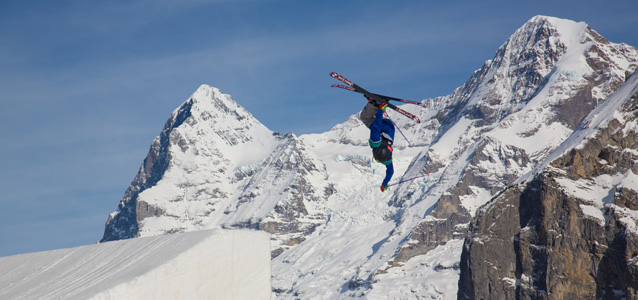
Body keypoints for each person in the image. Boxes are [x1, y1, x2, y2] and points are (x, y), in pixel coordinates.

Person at [359, 99, 395, 192]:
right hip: (384, 125)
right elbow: (376, 127)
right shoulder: (375, 143)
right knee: (365, 118)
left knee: (372, 120)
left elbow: (390, 172)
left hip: (390, 128)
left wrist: (384, 184)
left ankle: (375, 105)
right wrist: (380, 111)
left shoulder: (388, 157)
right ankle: (374, 104)